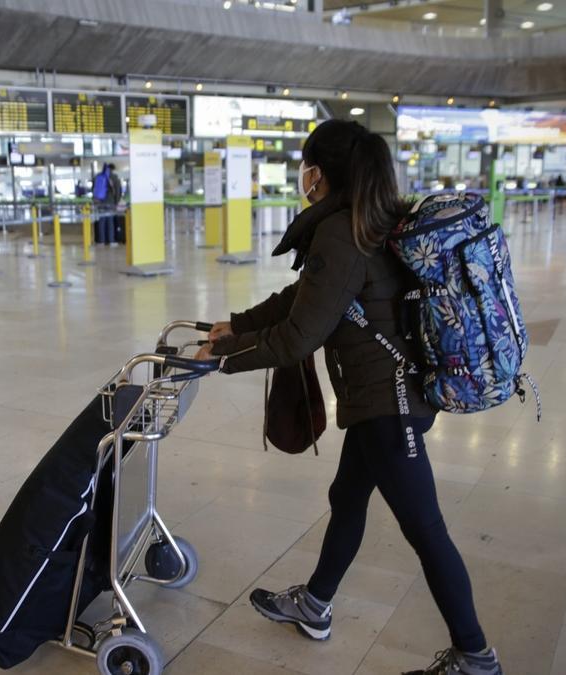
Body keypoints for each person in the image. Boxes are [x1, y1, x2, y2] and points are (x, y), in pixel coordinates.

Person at [196, 119, 502, 675]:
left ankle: (476, 657)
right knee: (347, 496)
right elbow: (305, 297)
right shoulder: (365, 221)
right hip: (377, 396)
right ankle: (315, 605)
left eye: (305, 166)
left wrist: (221, 356)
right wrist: (233, 324)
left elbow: (297, 336)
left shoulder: (340, 232)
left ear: (320, 172)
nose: (301, 177)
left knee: (425, 529)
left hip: (391, 405)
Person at [92, 164, 113, 245]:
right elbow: (116, 191)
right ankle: (111, 240)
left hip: (100, 202)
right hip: (110, 204)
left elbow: (94, 190)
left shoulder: (98, 177)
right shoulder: (111, 178)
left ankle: (101, 241)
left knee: (101, 222)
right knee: (110, 222)